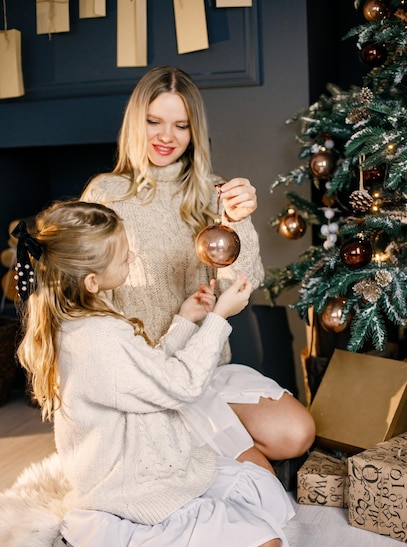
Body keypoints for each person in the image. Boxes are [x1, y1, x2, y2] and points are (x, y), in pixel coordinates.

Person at [15, 200, 295, 547]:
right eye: (121, 254)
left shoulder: (90, 319)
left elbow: (147, 378)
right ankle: (99, 535)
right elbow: (181, 386)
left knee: (269, 498)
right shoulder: (96, 337)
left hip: (164, 465)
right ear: (92, 280)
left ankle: (130, 526)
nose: (131, 253)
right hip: (133, 490)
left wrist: (183, 321)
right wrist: (217, 318)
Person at [81, 66, 315, 471]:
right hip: (148, 377)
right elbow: (89, 302)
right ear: (136, 122)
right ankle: (189, 450)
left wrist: (239, 219)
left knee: (297, 433)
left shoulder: (213, 191)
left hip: (204, 367)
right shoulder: (106, 194)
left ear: (194, 131)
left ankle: (199, 446)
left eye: (180, 125)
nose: (166, 137)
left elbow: (241, 290)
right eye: (154, 121)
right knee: (259, 479)